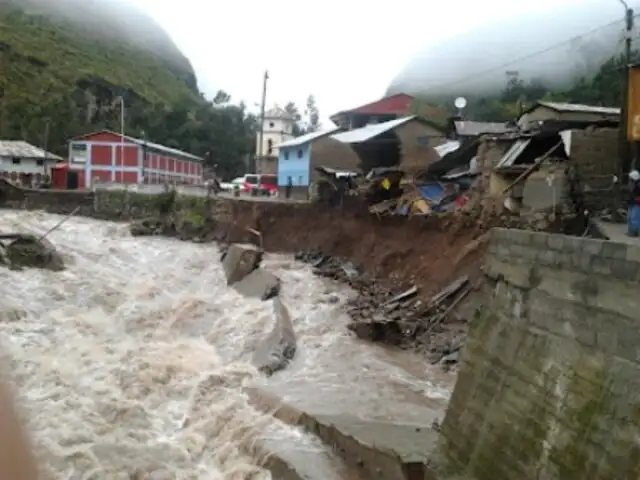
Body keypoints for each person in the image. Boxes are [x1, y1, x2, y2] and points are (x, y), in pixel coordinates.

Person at [628, 170, 640, 237]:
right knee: (630, 217)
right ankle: (630, 231)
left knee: (634, 218)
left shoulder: (638, 185)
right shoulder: (631, 185)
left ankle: (635, 232)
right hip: (632, 202)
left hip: (637, 204)